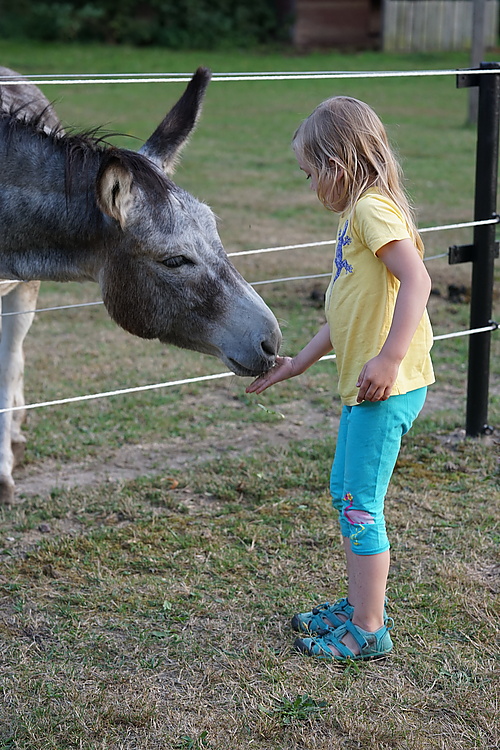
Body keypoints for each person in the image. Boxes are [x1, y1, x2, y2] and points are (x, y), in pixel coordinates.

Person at [246, 96, 434, 662]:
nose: (310, 187)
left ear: (340, 164)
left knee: (359, 505)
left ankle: (368, 629)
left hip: (386, 385)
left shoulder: (373, 211)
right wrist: (299, 362)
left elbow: (418, 282)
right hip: (367, 385)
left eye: (311, 174)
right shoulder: (360, 214)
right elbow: (348, 306)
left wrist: (389, 358)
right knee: (346, 495)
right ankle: (359, 606)